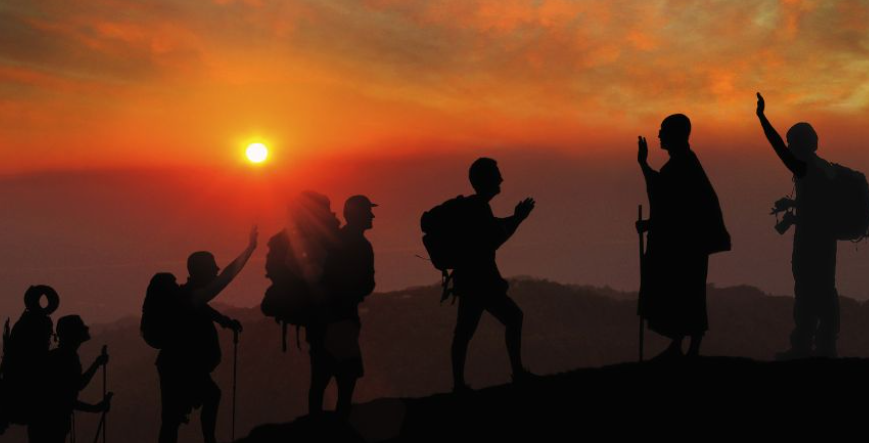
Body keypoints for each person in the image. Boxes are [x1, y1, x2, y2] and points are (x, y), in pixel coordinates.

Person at [636, 114, 730, 359]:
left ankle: (692, 348)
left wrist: (644, 165)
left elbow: (675, 207)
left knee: (688, 292)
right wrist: (644, 164)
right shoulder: (681, 164)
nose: (659, 135)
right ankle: (678, 344)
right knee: (680, 292)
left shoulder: (683, 165)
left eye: (663, 130)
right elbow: (667, 200)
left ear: (675, 134)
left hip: (688, 244)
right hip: (686, 243)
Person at [756, 93, 840, 359]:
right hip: (825, 242)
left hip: (811, 243)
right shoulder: (823, 167)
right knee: (824, 290)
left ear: (800, 145)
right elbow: (819, 206)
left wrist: (762, 118)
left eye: (791, 142)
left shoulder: (804, 167)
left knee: (807, 291)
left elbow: (777, 147)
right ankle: (825, 346)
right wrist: (793, 205)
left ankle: (804, 345)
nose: (788, 147)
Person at [157, 227, 257, 443]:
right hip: (180, 366)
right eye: (212, 267)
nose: (217, 270)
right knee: (198, 403)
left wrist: (224, 321)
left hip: (173, 364)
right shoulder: (193, 296)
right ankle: (209, 439)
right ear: (202, 271)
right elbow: (226, 277)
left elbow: (202, 308)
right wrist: (250, 249)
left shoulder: (187, 294)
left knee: (174, 417)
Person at [451, 157, 536, 393]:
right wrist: (518, 218)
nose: (501, 179)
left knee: (464, 332)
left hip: (470, 281)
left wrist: (517, 217)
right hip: (481, 282)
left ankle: (458, 384)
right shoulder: (478, 208)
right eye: (496, 174)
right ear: (486, 179)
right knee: (513, 318)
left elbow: (495, 227)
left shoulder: (475, 207)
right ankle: (517, 373)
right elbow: (495, 238)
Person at [310, 195, 377, 421]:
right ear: (358, 216)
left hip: (323, 318)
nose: (372, 216)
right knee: (345, 376)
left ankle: (316, 424)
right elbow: (367, 284)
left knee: (321, 377)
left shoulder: (333, 240)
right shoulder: (361, 246)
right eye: (368, 212)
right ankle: (340, 424)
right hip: (343, 318)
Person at [28, 315, 111, 443]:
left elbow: (72, 389)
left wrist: (97, 363)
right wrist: (94, 408)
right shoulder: (66, 358)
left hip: (43, 426)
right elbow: (70, 393)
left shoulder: (59, 356)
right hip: (51, 427)